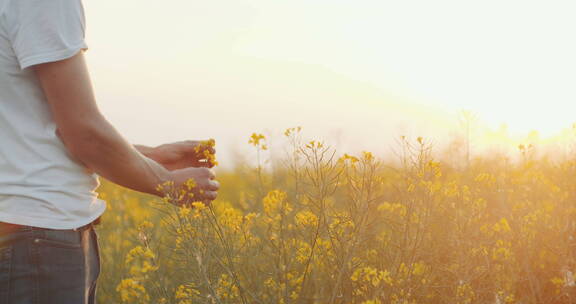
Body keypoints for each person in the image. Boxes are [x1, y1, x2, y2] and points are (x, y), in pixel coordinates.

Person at [0, 0, 220, 303]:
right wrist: (169, 184)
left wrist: (149, 157)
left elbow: (37, 133)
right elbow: (83, 132)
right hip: (40, 234)